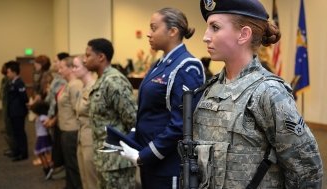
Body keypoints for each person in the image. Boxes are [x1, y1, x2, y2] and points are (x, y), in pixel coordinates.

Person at [192, 0, 323, 188]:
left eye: (215, 27)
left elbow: (306, 169)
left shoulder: (268, 92)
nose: (205, 36)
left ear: (244, 34)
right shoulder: (211, 89)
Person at [119, 7, 205, 189]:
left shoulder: (187, 66)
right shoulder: (160, 64)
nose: (148, 34)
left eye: (153, 28)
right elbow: (149, 112)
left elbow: (181, 125)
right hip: (151, 161)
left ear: (172, 31)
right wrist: (130, 138)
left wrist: (146, 155)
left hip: (168, 164)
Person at [84, 38, 137, 188]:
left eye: (88, 55)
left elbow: (133, 119)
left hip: (117, 162)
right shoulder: (102, 80)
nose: (84, 60)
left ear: (101, 57)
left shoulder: (114, 81)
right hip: (104, 160)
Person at [72, 55, 98, 189]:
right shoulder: (83, 87)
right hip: (82, 138)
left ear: (86, 67)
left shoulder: (94, 87)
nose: (73, 70)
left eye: (76, 66)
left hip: (91, 140)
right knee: (84, 180)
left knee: (92, 182)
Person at [57, 56, 83, 189]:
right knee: (69, 164)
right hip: (65, 130)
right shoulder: (68, 84)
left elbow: (79, 110)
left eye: (62, 67)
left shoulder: (76, 85)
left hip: (72, 132)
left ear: (71, 68)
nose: (59, 70)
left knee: (74, 166)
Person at [43, 52, 69, 178]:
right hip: (54, 116)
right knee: (57, 145)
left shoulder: (65, 80)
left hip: (60, 119)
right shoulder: (57, 78)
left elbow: (62, 105)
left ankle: (62, 169)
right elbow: (51, 100)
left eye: (56, 61)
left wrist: (53, 119)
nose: (54, 64)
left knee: (62, 147)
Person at [6, 61, 29, 161]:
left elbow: (24, 97)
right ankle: (17, 151)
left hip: (18, 112)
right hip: (13, 112)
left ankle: (23, 153)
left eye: (9, 72)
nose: (7, 74)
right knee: (15, 133)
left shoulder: (19, 83)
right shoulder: (13, 82)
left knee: (20, 133)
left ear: (14, 72)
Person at [30, 100, 53, 179]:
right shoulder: (40, 116)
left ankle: (47, 168)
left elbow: (46, 124)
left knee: (41, 153)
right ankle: (47, 167)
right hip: (42, 136)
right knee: (43, 153)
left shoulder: (42, 117)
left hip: (42, 137)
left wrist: (46, 124)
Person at [0, 62, 16, 158]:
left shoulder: (9, 81)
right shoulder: (4, 79)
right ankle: (12, 147)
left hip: (8, 108)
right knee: (7, 129)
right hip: (5, 107)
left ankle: (14, 148)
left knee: (10, 130)